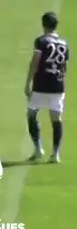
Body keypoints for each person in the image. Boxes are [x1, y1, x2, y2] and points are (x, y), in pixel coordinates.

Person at [25, 11, 66, 163]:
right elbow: (64, 66)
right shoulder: (64, 43)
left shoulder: (41, 41)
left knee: (31, 114)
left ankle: (37, 149)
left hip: (41, 84)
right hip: (57, 85)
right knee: (56, 118)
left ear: (43, 25)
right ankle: (55, 154)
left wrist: (28, 82)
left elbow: (35, 62)